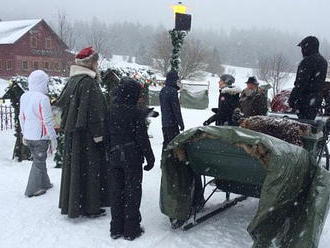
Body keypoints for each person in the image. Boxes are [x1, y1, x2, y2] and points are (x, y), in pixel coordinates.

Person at [57, 47, 109, 218]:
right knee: (90, 170)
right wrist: (99, 135)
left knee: (76, 170)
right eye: (95, 61)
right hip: (87, 137)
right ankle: (90, 206)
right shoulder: (88, 83)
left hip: (74, 135)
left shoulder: (72, 81)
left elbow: (61, 107)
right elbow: (95, 113)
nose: (97, 65)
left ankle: (74, 203)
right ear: (90, 63)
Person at [108, 78, 155, 241]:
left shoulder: (111, 111)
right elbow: (142, 138)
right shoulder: (135, 113)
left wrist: (110, 153)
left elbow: (107, 135)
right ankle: (131, 229)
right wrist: (150, 158)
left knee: (116, 191)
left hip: (115, 156)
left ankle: (115, 227)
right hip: (132, 157)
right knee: (132, 192)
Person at [19, 70, 57, 197]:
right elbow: (48, 121)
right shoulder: (43, 98)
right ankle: (32, 189)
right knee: (39, 161)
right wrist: (53, 138)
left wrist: (24, 133)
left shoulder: (24, 96)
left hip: (29, 135)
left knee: (39, 160)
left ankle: (45, 183)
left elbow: (21, 117)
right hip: (40, 136)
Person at [288, 36, 328, 120]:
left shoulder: (307, 61)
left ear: (308, 47)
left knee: (301, 124)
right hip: (316, 98)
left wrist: (292, 98)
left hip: (305, 99)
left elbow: (301, 83)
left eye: (303, 47)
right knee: (309, 122)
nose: (301, 51)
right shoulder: (323, 61)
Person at [159, 71, 184, 149]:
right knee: (175, 146)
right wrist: (181, 123)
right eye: (177, 80)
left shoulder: (163, 90)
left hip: (164, 123)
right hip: (172, 124)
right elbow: (176, 110)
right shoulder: (173, 92)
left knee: (166, 144)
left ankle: (164, 160)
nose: (178, 82)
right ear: (173, 80)